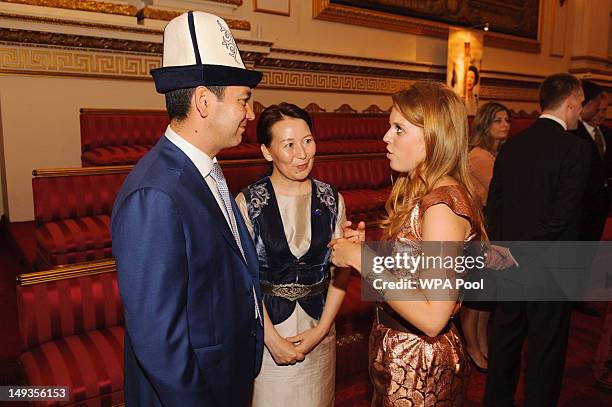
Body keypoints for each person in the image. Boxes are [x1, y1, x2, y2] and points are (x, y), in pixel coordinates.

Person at [111, 11, 264, 406]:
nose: (250, 113)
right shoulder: (154, 196)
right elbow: (159, 342)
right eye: (243, 100)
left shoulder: (204, 168)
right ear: (202, 102)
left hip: (223, 380)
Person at [329, 82, 488, 406]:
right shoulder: (424, 193)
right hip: (400, 349)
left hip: (420, 361)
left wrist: (363, 260)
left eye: (398, 128)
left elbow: (433, 317)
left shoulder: (441, 207)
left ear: (433, 137)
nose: (387, 137)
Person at [484, 73, 591, 407]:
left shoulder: (513, 144)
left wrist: (506, 248)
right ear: (571, 101)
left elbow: (495, 205)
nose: (581, 111)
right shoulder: (575, 148)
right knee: (546, 351)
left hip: (508, 261)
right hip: (551, 266)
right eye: (581, 104)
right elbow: (564, 214)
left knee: (504, 344)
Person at [235, 103, 350, 407]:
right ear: (266, 151)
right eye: (288, 145)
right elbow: (241, 280)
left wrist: (323, 330)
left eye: (307, 141)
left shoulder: (331, 199)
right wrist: (271, 340)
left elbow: (342, 271)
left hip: (319, 330)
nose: (302, 153)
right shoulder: (249, 203)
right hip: (269, 332)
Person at [461, 102, 512, 372]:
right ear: (485, 125)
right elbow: (501, 193)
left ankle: (481, 342)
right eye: (498, 120)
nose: (505, 124)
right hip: (479, 230)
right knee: (475, 297)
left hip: (491, 228)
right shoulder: (479, 155)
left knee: (486, 296)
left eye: (507, 120)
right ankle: (471, 345)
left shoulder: (496, 154)